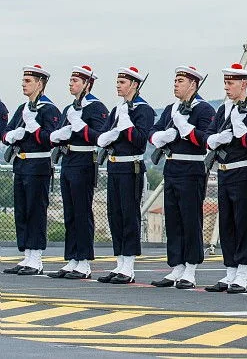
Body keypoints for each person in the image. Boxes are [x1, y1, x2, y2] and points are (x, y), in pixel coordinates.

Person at [150, 66, 216, 289]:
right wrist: (161, 136)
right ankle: (176, 265)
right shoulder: (171, 109)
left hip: (192, 168)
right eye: (175, 80)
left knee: (190, 219)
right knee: (174, 220)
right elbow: (153, 131)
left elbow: (206, 139)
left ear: (193, 85)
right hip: (172, 167)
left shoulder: (203, 110)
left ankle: (191, 268)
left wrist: (185, 128)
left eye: (180, 80)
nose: (175, 84)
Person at [204, 63, 247, 294]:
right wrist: (217, 138)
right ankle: (230, 269)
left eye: (231, 84)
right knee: (227, 222)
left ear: (243, 84)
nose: (227, 88)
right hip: (223, 171)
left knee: (243, 221)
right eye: (225, 83)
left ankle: (242, 272)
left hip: (243, 172)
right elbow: (208, 137)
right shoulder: (222, 111)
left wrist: (241, 131)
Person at [48, 65, 109, 280]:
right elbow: (64, 132)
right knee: (70, 213)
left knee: (83, 212)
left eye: (76, 80)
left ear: (87, 84)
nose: (71, 83)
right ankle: (72, 259)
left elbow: (99, 137)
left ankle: (84, 262)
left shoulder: (95, 107)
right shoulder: (69, 108)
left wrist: (80, 126)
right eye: (71, 80)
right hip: (69, 160)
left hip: (84, 161)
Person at [96, 66, 154, 284]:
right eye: (118, 81)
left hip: (132, 168)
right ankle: (119, 261)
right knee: (115, 215)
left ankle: (128, 266)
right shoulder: (118, 108)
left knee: (129, 216)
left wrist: (126, 125)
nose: (118, 85)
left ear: (134, 85)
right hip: (114, 167)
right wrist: (113, 131)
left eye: (122, 82)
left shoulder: (143, 110)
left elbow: (140, 140)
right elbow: (102, 136)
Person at [1, 65, 61, 275]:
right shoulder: (23, 108)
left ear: (40, 83)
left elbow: (52, 138)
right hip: (21, 165)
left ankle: (36, 258)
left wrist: (34, 129)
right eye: (23, 80)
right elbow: (7, 131)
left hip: (38, 166)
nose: (23, 84)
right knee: (22, 212)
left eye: (28, 81)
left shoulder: (48, 109)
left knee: (36, 211)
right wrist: (10, 136)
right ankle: (26, 256)